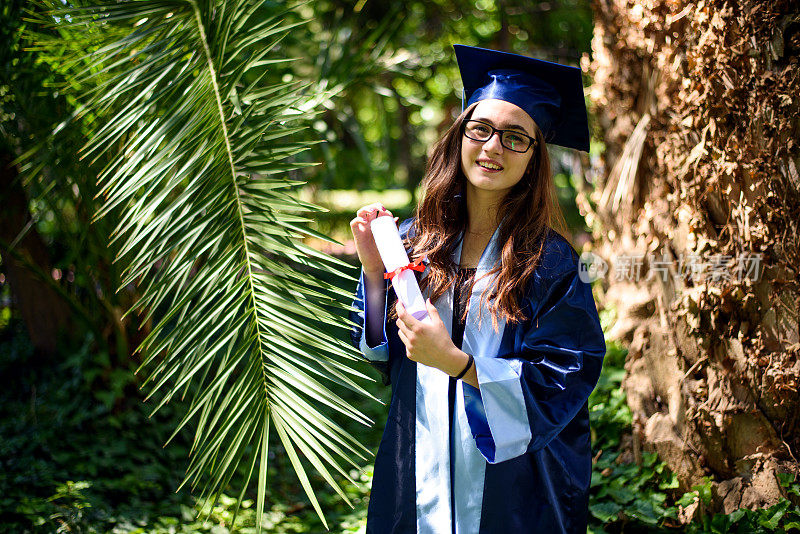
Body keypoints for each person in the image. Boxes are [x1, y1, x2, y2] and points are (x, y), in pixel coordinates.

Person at [348, 44, 606, 534]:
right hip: (417, 462)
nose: (492, 148)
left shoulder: (550, 263)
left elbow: (564, 378)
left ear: (534, 158)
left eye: (515, 138)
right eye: (481, 129)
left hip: (512, 483)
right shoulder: (411, 240)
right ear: (459, 136)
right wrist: (374, 271)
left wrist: (459, 365)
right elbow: (383, 355)